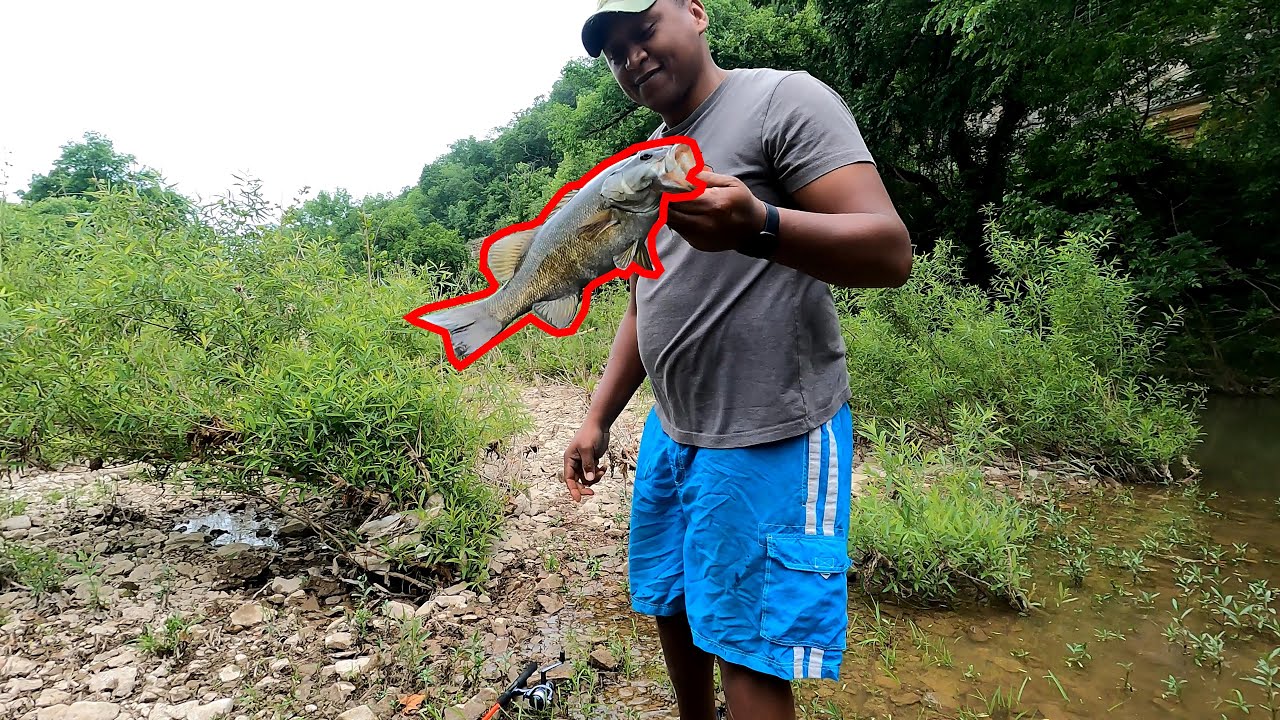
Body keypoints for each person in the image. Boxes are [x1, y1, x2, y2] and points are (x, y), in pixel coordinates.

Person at [561, 1, 913, 718]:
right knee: (674, 599)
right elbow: (645, 299)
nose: (631, 56)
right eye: (614, 49)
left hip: (770, 429)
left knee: (748, 650)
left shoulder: (783, 99)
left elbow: (889, 251)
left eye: (644, 29)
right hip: (675, 427)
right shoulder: (647, 163)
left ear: (696, 12)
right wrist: (598, 417)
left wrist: (760, 224)